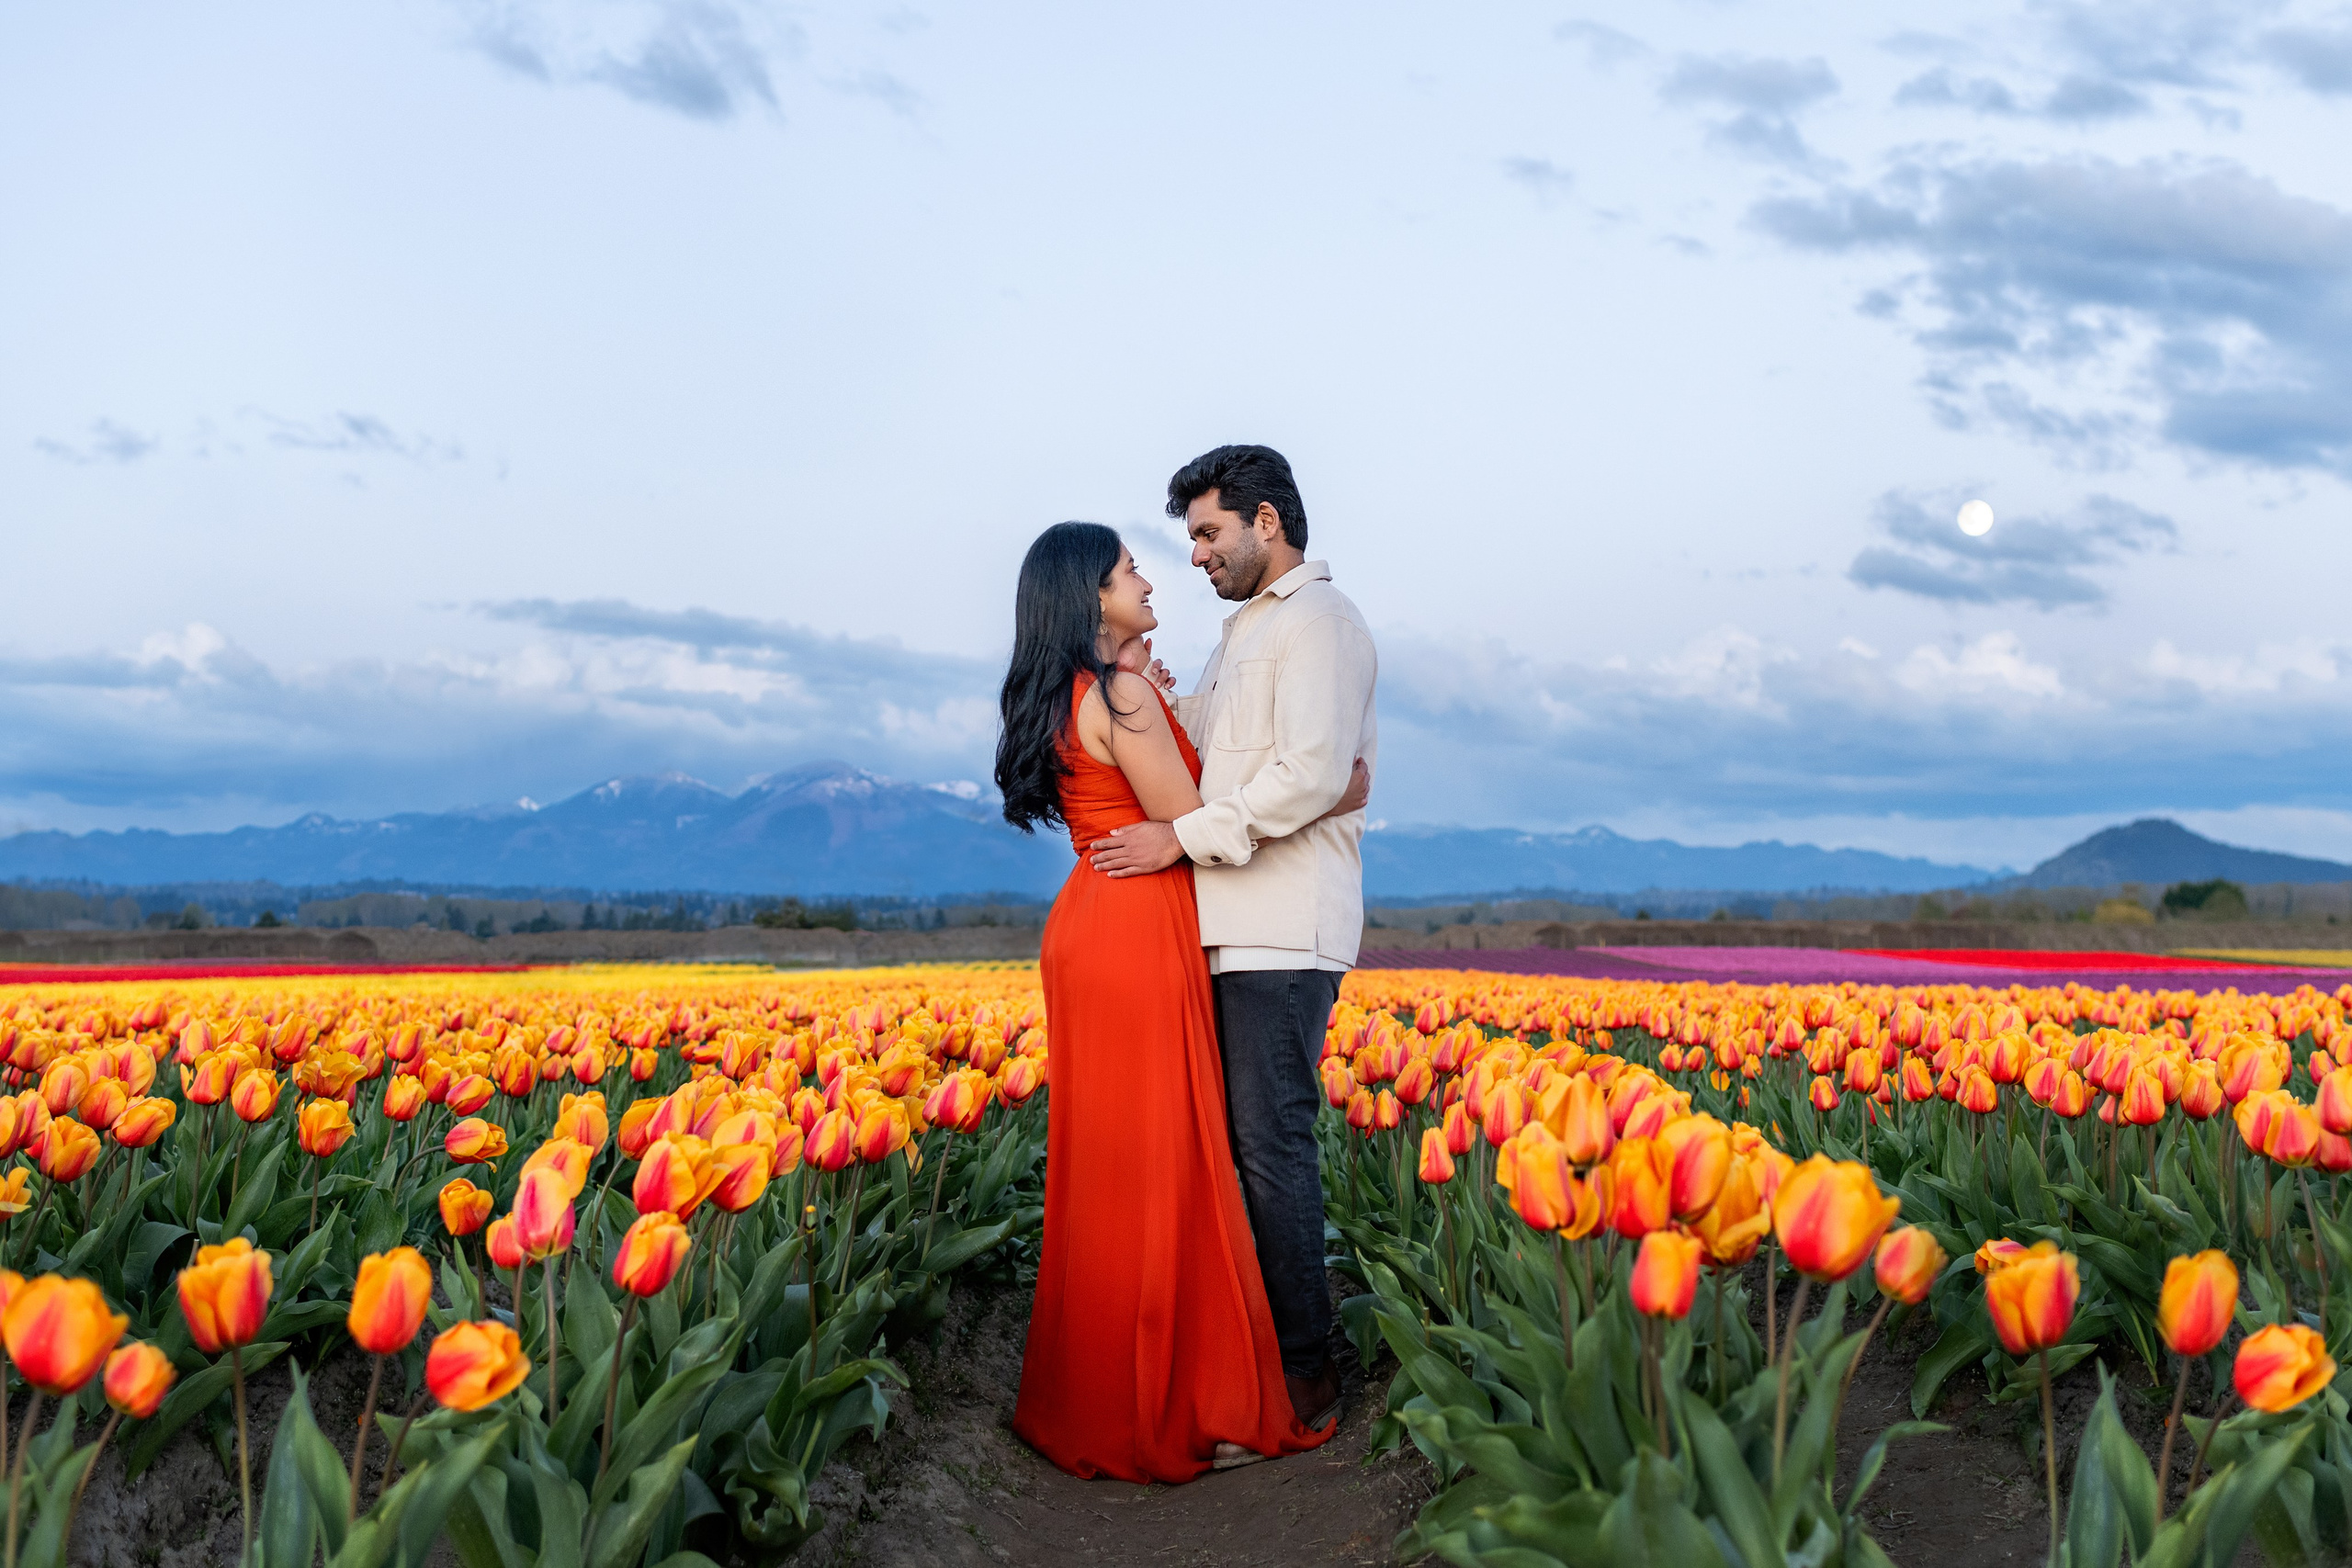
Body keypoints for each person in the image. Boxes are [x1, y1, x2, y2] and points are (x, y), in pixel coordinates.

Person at [993, 521, 1362, 1482]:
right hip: (1144, 922)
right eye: (1128, 570)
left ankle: (1099, 1392)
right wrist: (1330, 787)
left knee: (1107, 1161)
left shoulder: (1066, 695)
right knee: (1172, 1158)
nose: (1148, 579)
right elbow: (1188, 812)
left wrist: (1154, 693)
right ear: (1091, 595)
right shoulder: (1121, 695)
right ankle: (1190, 1398)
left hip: (1088, 919)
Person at [1087, 445, 1378, 1437]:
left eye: (1209, 532)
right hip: (1226, 925)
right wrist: (1158, 696)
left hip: (1280, 928)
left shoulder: (1320, 623)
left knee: (1269, 1143)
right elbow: (1218, 758)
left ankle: (1306, 1368)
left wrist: (1180, 837)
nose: (1197, 554)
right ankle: (1251, 1354)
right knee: (1238, 1145)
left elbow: (1308, 775)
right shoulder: (1245, 632)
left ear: (1266, 521)